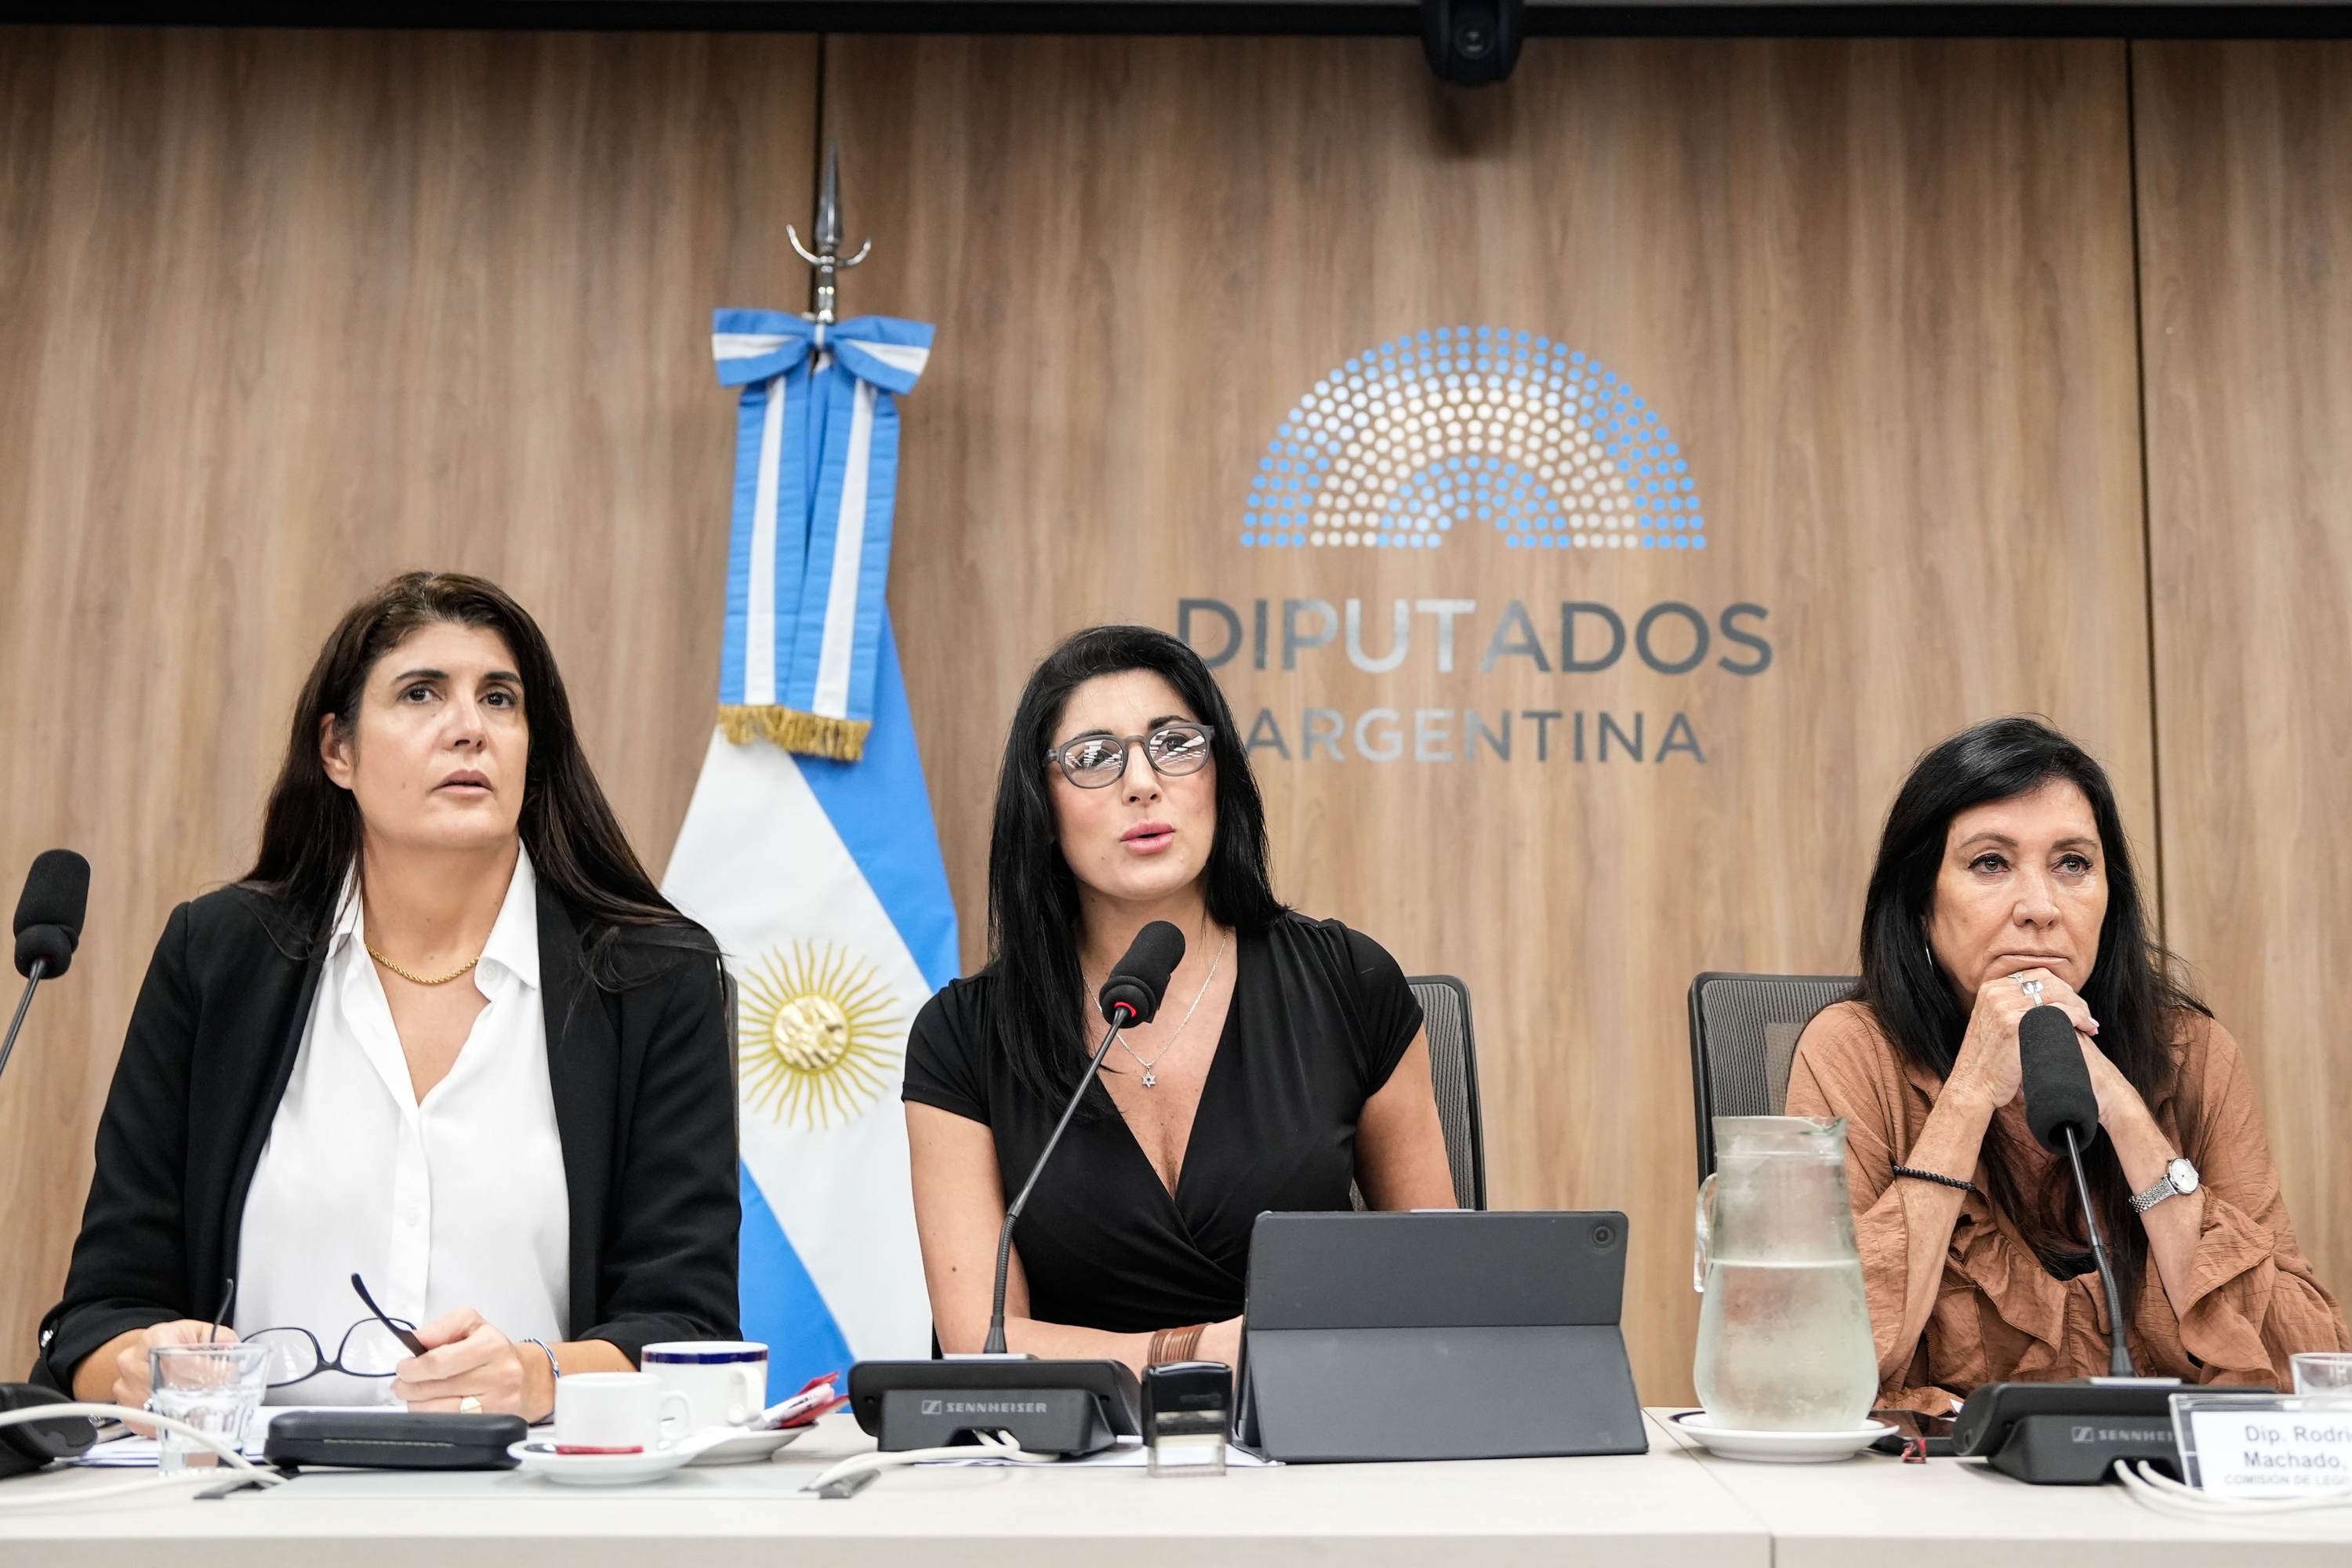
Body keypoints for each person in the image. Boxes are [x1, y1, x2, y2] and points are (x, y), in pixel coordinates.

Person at [36, 572, 739, 1419]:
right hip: (252, 1487)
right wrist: (138, 1363)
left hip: (536, 1488)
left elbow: (689, 1329)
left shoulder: (653, 978)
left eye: (500, 699)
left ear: (532, 752)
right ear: (338, 750)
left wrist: (539, 1376)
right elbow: (100, 1314)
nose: (469, 727)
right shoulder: (218, 959)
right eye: (421, 693)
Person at [903, 625, 1456, 1372]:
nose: (1142, 782)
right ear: (1042, 804)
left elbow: (1437, 1286)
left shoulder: (1349, 983)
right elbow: (982, 1340)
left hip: (1309, 1425)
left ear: (1219, 777)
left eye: (1175, 744)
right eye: (1093, 757)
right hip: (1072, 1441)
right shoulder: (963, 1037)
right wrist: (1196, 1351)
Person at [1788, 716, 2347, 1410]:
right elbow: (1809, 1368)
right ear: (1920, 905)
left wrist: (2127, 1114)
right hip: (1944, 1477)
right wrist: (1969, 1096)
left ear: (2111, 900)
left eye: (2072, 864)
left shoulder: (2191, 1053)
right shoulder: (1854, 1052)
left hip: (2158, 1476)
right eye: (1990, 863)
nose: (2041, 908)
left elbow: (2309, 1368)